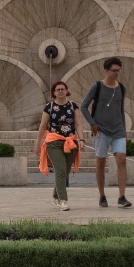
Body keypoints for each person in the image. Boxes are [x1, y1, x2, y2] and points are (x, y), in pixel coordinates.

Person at [82, 57, 131, 209]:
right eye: (114, 71)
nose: (117, 73)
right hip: (101, 130)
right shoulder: (97, 86)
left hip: (118, 130)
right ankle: (102, 195)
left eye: (119, 70)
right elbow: (83, 106)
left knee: (121, 159)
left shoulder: (121, 88)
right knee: (100, 162)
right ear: (106, 70)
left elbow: (121, 110)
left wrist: (123, 129)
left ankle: (122, 196)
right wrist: (92, 123)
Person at [36, 79, 82, 210]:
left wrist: (81, 139)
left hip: (70, 142)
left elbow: (78, 124)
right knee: (61, 170)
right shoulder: (49, 107)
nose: (61, 91)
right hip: (53, 142)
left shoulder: (73, 106)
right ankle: (63, 200)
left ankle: (55, 196)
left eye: (63, 89)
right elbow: (43, 126)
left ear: (67, 91)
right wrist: (37, 144)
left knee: (65, 172)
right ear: (54, 93)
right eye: (58, 90)